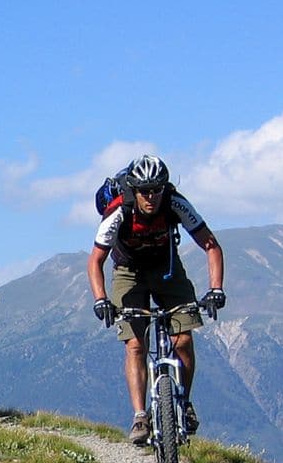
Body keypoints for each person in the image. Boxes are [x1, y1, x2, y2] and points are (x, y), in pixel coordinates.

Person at [87, 155, 225, 444]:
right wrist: (101, 299)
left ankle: (183, 404)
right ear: (134, 190)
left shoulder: (175, 203)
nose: (151, 196)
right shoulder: (119, 212)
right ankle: (140, 416)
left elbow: (210, 245)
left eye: (157, 189)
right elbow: (96, 260)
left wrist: (216, 289)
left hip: (167, 270)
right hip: (128, 272)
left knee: (184, 339)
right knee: (136, 345)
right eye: (144, 191)